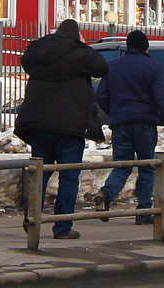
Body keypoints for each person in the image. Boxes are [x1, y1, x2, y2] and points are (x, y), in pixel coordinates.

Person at [15, 18, 109, 240]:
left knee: (40, 172)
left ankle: (32, 215)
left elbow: (25, 61)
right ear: (77, 35)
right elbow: (102, 68)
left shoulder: (38, 51)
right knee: (68, 177)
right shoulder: (79, 54)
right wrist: (84, 45)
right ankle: (62, 227)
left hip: (39, 123)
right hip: (70, 125)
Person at [94, 30, 164, 225]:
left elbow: (101, 95)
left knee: (121, 165)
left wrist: (116, 113)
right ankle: (143, 211)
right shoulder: (154, 67)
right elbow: (161, 99)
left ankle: (106, 193)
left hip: (120, 124)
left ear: (128, 46)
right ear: (146, 47)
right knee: (146, 167)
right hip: (144, 125)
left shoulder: (113, 67)